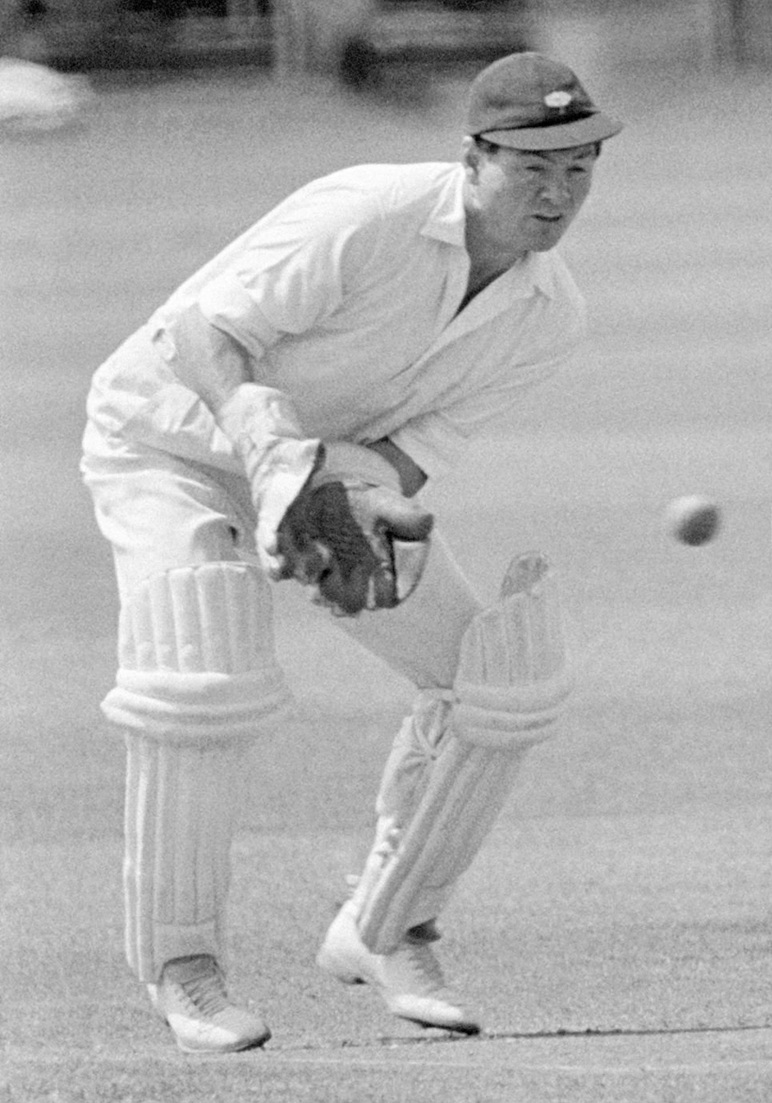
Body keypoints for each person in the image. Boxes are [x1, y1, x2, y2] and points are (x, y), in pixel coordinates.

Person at [81, 51, 622, 1054]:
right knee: (201, 674)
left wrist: (340, 506)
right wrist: (263, 446)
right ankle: (182, 963)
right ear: (473, 155)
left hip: (325, 480)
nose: (557, 193)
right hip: (168, 443)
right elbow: (203, 335)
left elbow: (406, 457)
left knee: (502, 674)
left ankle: (387, 923)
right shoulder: (368, 212)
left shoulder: (550, 317)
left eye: (579, 168)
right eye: (532, 166)